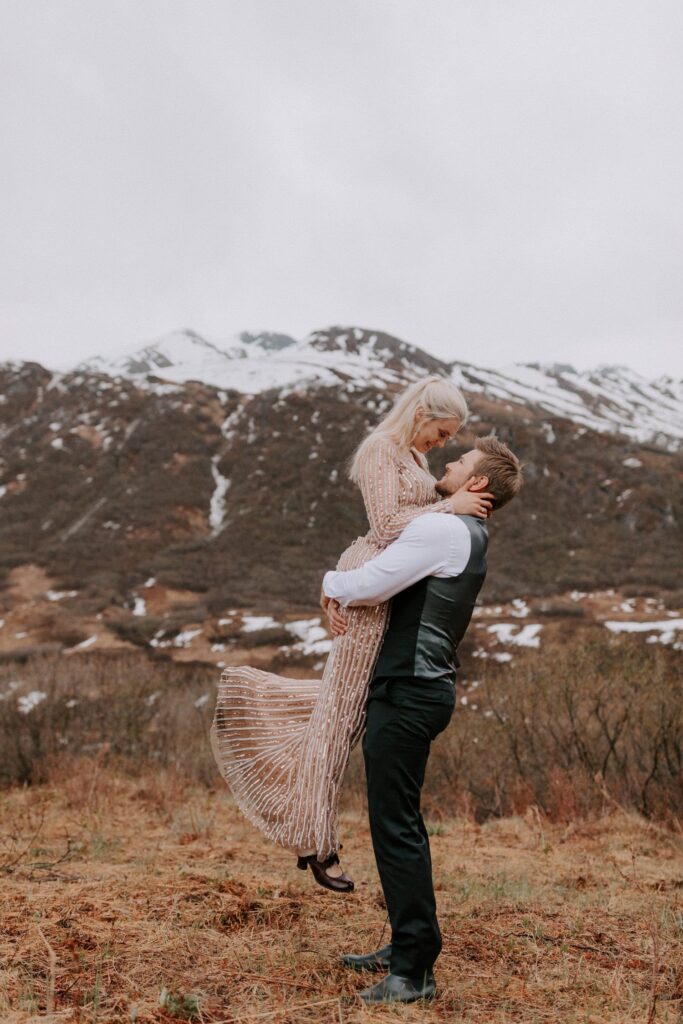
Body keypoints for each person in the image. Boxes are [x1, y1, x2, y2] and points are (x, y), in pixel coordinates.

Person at [210, 376, 494, 890]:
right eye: (442, 430)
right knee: (341, 717)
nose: (443, 443)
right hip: (369, 590)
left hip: (380, 592)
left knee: (345, 705)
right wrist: (446, 508)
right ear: (421, 412)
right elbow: (386, 527)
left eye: (450, 437)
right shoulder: (380, 452)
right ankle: (315, 841)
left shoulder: (415, 458)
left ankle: (258, 704)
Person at [320, 436, 523, 1004]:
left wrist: (329, 582)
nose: (449, 464)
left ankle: (413, 971)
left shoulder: (444, 529)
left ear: (476, 484)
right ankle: (409, 945)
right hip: (422, 689)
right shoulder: (470, 533)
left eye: (460, 463)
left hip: (408, 691)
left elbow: (370, 585)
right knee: (399, 821)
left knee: (395, 825)